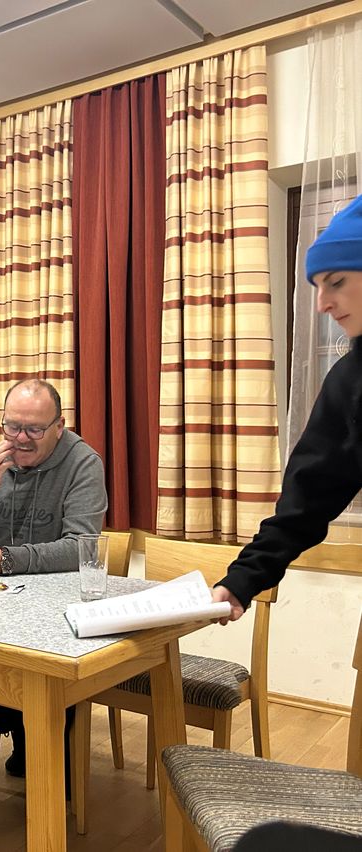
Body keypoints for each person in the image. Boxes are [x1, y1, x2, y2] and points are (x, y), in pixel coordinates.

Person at [0, 378, 107, 776]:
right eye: (12, 427)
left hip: (57, 611)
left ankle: (43, 733)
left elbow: (82, 546)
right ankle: (23, 721)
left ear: (59, 427)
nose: (21, 439)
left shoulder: (83, 463)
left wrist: (5, 559)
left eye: (34, 429)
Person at [213, 194, 362, 622]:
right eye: (317, 288)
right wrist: (241, 581)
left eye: (335, 282)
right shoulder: (348, 383)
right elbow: (306, 503)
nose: (322, 305)